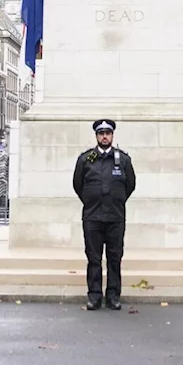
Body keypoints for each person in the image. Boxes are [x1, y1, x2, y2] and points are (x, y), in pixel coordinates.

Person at [72, 118, 136, 310]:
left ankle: (113, 296)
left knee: (115, 257)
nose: (105, 136)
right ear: (96, 136)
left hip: (115, 217)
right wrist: (92, 201)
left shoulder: (122, 159)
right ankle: (94, 296)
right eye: (101, 133)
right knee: (94, 258)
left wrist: (116, 200)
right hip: (93, 218)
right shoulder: (86, 159)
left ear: (112, 135)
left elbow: (130, 185)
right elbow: (78, 185)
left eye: (108, 133)